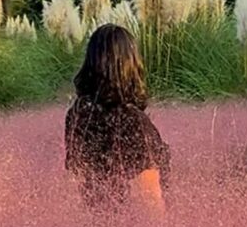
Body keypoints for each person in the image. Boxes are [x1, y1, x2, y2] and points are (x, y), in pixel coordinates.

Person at [65, 24, 170, 212]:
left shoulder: (78, 114)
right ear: (131, 64)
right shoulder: (133, 121)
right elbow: (151, 202)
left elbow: (79, 179)